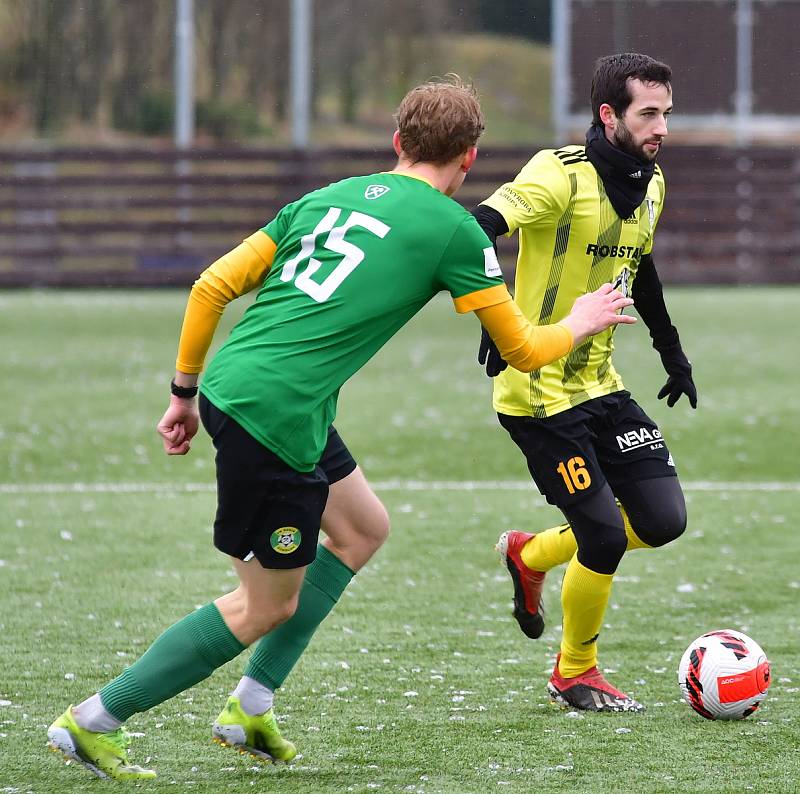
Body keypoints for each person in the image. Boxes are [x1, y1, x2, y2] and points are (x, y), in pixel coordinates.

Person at [46, 75, 635, 781]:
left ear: (396, 142)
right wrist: (581, 320)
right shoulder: (453, 230)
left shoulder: (323, 198)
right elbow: (523, 351)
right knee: (263, 605)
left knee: (361, 530)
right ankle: (93, 720)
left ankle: (250, 706)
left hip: (244, 388)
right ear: (471, 157)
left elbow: (211, 286)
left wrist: (183, 394)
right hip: (278, 414)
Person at [473, 53, 696, 713]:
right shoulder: (558, 174)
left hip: (600, 383)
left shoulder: (652, 183)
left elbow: (641, 265)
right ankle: (575, 673)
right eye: (648, 113)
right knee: (600, 534)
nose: (661, 127)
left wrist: (671, 351)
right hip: (535, 391)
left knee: (661, 520)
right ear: (608, 114)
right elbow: (476, 227)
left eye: (666, 113)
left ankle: (531, 554)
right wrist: (495, 316)